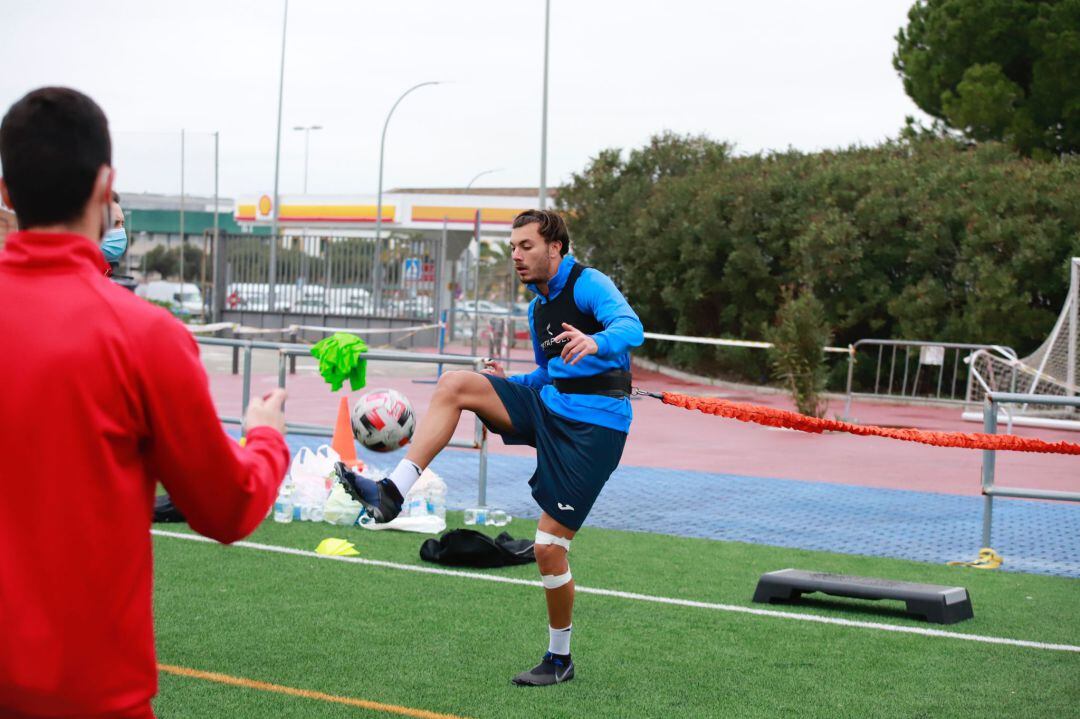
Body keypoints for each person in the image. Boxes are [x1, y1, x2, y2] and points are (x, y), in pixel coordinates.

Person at [0, 87, 291, 718]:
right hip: (90, 696)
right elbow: (226, 508)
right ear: (107, 186)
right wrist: (266, 437)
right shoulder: (145, 336)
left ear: (5, 192)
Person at [336, 209, 644, 686]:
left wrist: (597, 340)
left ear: (555, 248)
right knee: (459, 384)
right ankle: (392, 492)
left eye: (526, 246)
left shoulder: (587, 283)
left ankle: (559, 660)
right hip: (550, 406)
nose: (516, 256)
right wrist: (506, 383)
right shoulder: (536, 306)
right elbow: (545, 375)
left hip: (596, 427)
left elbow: (632, 327)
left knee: (547, 550)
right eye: (513, 248)